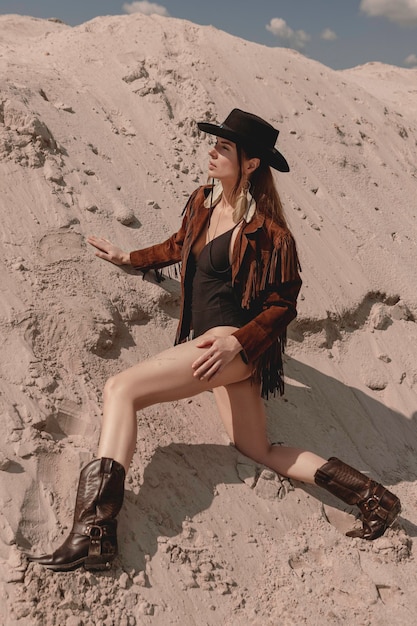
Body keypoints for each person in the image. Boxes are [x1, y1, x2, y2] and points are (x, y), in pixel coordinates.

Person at [27, 109, 401, 572]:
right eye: (216, 144)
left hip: (228, 347)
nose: (212, 151)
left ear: (250, 164)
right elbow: (178, 245)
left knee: (121, 390)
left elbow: (285, 305)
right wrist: (129, 256)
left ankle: (95, 534)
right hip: (220, 350)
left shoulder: (271, 234)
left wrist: (237, 344)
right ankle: (373, 498)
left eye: (224, 147)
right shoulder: (203, 202)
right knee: (257, 449)